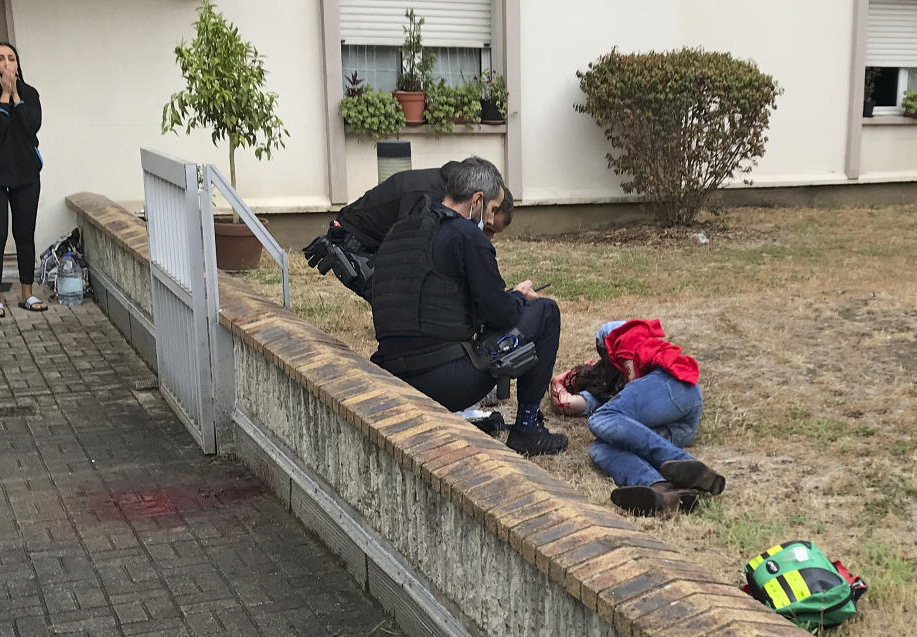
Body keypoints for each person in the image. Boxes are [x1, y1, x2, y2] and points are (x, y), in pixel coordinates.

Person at [370, 157, 567, 456]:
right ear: (477, 200)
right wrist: (517, 295)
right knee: (545, 312)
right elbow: (501, 313)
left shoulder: (399, 232)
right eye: (490, 210)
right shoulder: (466, 235)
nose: (489, 221)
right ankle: (528, 429)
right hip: (444, 381)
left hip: (390, 375)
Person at [550, 319, 726, 515]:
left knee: (600, 419)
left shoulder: (623, 341)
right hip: (676, 427)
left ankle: (685, 462)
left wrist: (561, 383)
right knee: (600, 448)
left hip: (673, 384)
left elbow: (622, 339)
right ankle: (662, 488)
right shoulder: (609, 394)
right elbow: (567, 404)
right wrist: (556, 384)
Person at [302, 159, 512, 301]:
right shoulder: (429, 199)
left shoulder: (448, 191)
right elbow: (409, 256)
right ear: (478, 199)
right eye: (489, 225)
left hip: (369, 236)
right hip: (356, 241)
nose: (487, 235)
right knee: (397, 300)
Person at [0, 41, 46, 317]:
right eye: (0, 59)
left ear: (17, 63)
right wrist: (3, 95)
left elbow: (31, 126)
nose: (7, 64)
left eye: (11, 58)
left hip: (26, 173)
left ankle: (27, 294)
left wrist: (16, 95)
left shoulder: (30, 93)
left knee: (25, 234)